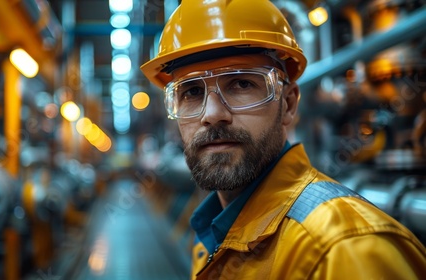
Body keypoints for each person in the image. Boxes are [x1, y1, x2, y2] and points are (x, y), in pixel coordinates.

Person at [140, 0, 426, 279]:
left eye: (242, 83)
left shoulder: (345, 250)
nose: (213, 114)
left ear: (288, 104)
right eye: (191, 92)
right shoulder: (212, 238)